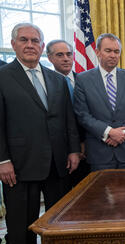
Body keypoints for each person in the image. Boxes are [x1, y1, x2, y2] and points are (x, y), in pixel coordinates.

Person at [0, 23, 80, 244]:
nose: (30, 44)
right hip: (20, 164)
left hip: (58, 162)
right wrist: (2, 161)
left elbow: (68, 119)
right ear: (14, 44)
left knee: (58, 219)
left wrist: (72, 150)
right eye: (24, 40)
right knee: (21, 219)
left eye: (35, 40)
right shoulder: (3, 77)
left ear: (42, 47)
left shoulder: (57, 79)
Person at [73, 33, 125, 171]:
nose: (113, 55)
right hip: (100, 154)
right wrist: (108, 132)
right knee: (101, 193)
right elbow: (83, 115)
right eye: (108, 51)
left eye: (116, 51)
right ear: (98, 52)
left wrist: (122, 134)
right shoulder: (83, 80)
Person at [46, 39, 91, 185]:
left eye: (69, 54)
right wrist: (72, 147)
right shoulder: (45, 85)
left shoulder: (85, 81)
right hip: (60, 152)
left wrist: (83, 142)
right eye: (60, 55)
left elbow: (91, 114)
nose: (66, 59)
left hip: (87, 149)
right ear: (50, 58)